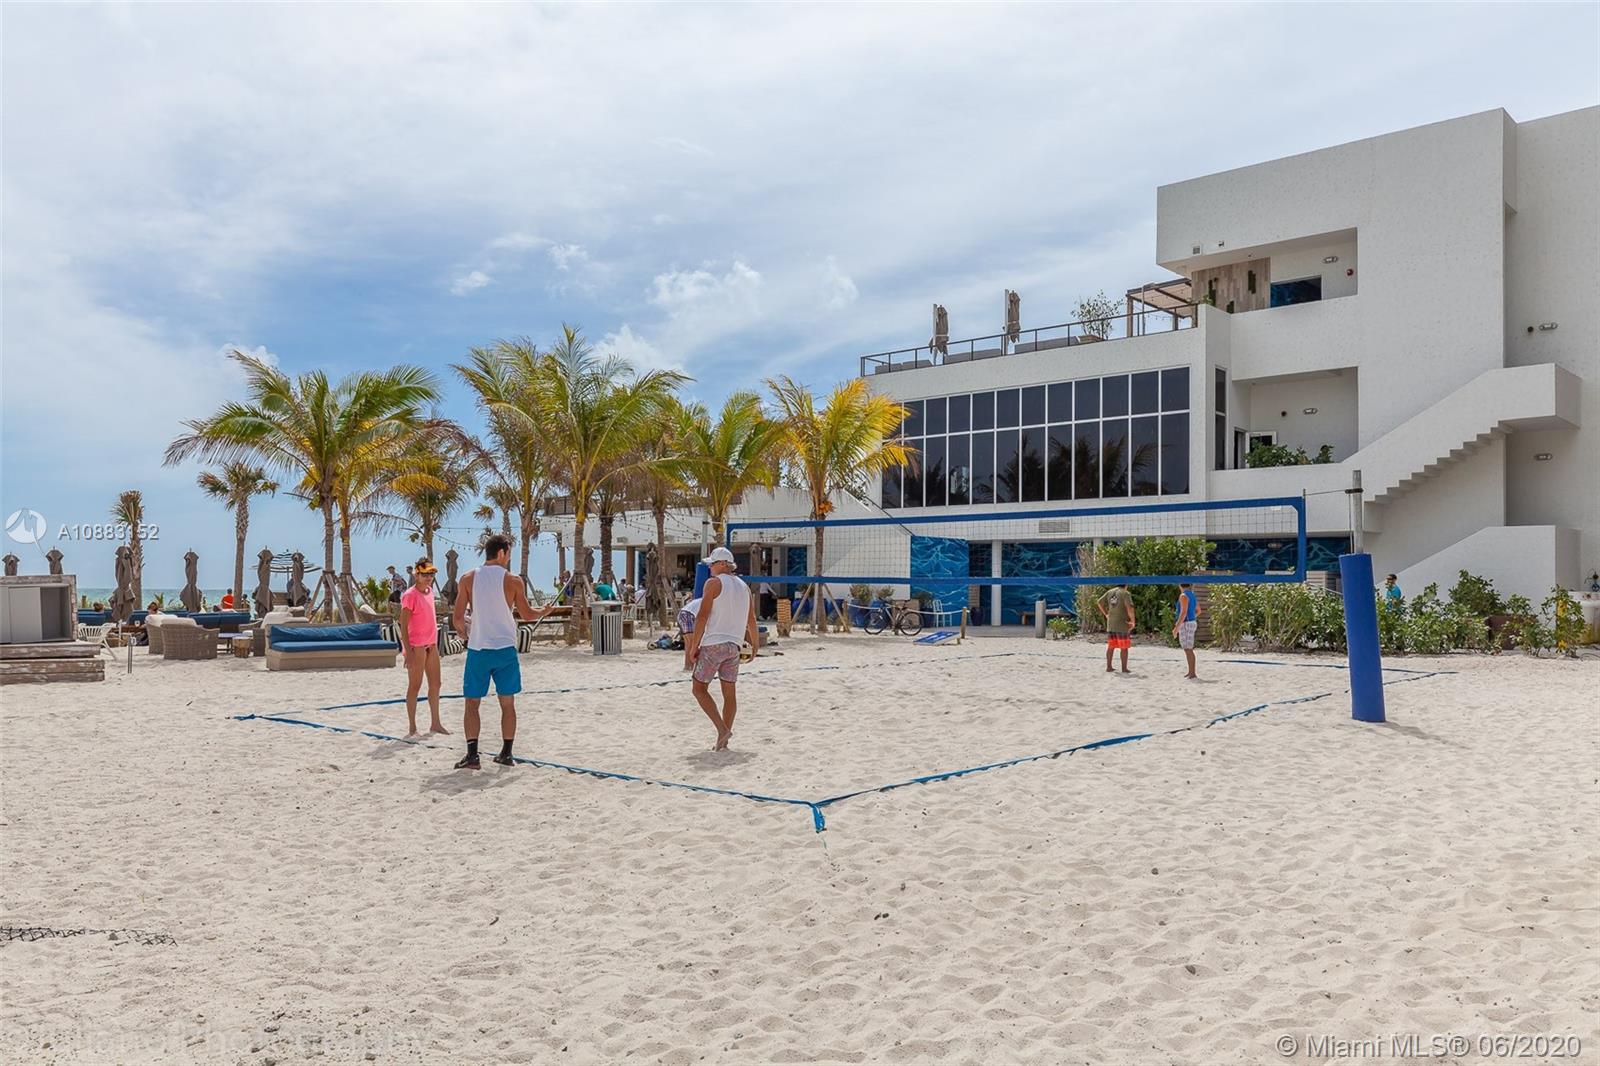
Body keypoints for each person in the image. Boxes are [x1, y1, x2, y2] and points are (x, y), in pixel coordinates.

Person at [451, 535, 535, 770]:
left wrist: (464, 633)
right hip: (505, 648)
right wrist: (545, 611)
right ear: (501, 553)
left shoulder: (467, 578)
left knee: (472, 704)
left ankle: (472, 756)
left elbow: (457, 618)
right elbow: (528, 614)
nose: (508, 559)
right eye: (508, 554)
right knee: (507, 703)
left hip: (479, 648)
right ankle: (507, 753)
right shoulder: (513, 580)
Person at [684, 547, 758, 752]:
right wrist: (755, 644)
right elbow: (751, 619)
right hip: (734, 646)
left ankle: (722, 730)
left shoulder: (714, 583)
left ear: (723, 564)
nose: (710, 568)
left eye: (712, 564)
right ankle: (723, 741)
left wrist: (694, 645)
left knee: (698, 689)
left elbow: (702, 616)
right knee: (729, 694)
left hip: (714, 644)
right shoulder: (744, 587)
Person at [399, 558, 447, 739]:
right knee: (415, 686)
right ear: (416, 574)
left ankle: (436, 723)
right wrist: (408, 653)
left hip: (431, 644)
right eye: (425, 574)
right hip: (416, 646)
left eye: (431, 574)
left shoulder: (430, 591)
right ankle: (412, 728)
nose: (429, 577)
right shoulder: (409, 595)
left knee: (436, 684)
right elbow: (403, 625)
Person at [1096, 582, 1136, 674]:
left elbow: (1099, 602)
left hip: (1111, 623)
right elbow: (1129, 608)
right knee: (1124, 647)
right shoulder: (1125, 593)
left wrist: (1106, 614)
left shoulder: (1110, 592)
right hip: (1122, 623)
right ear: (1126, 585)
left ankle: (1109, 667)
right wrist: (1133, 621)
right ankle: (1124, 668)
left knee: (1111, 646)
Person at [1172, 581, 1200, 680]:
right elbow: (1198, 611)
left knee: (1188, 649)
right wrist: (1192, 618)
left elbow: (1183, 613)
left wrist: (1176, 628)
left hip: (1186, 624)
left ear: (1180, 585)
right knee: (1188, 648)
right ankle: (1190, 672)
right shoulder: (1192, 595)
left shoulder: (1183, 596)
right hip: (1190, 622)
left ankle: (1192, 674)